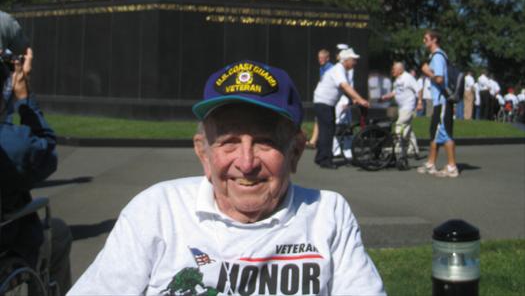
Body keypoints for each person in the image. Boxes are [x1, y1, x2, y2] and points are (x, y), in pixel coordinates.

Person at [68, 61, 385, 295]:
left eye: (265, 141)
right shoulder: (155, 211)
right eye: (229, 142)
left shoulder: (327, 214)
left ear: (295, 151)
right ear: (203, 154)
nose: (246, 164)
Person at [1, 46, 72, 293]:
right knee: (59, 232)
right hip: (7, 240)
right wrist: (24, 98)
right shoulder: (12, 145)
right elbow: (46, 152)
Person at [313, 48, 369, 169]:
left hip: (325, 103)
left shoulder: (341, 70)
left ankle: (321, 157)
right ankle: (325, 160)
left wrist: (353, 99)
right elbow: (345, 86)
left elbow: (343, 89)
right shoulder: (339, 69)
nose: (355, 62)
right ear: (346, 60)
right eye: (353, 60)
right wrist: (360, 100)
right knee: (327, 131)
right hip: (324, 103)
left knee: (327, 130)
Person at [417, 30, 459, 179]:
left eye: (426, 38)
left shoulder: (437, 57)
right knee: (434, 132)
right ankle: (430, 163)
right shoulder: (439, 56)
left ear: (434, 40)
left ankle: (452, 167)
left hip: (442, 101)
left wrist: (427, 72)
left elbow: (440, 79)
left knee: (445, 133)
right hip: (439, 101)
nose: (424, 41)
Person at [381, 61, 420, 158]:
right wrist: (386, 97)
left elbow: (419, 89)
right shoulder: (397, 80)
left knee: (399, 125)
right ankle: (414, 149)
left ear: (400, 69)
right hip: (401, 107)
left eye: (394, 69)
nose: (392, 70)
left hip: (408, 106)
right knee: (408, 129)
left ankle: (398, 149)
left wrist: (419, 102)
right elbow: (395, 92)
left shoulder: (408, 78)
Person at [306, 49, 333, 149]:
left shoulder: (331, 68)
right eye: (319, 58)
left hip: (329, 99)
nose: (320, 60)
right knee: (318, 119)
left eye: (322, 58)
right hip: (323, 98)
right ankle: (314, 141)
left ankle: (318, 142)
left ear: (327, 58)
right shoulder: (322, 68)